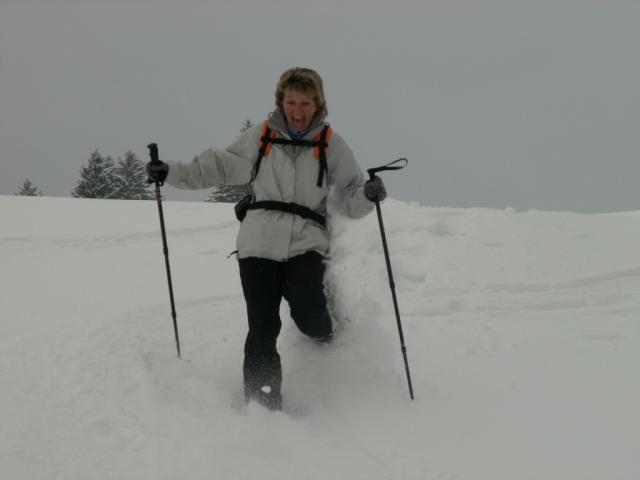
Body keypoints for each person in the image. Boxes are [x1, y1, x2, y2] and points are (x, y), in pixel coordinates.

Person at [147, 67, 387, 410]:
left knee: (309, 315)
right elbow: (219, 165)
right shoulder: (262, 136)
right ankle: (263, 407)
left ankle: (325, 330)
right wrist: (170, 172)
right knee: (262, 327)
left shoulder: (331, 143)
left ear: (318, 104)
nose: (297, 110)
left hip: (306, 243)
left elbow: (350, 196)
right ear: (281, 101)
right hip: (257, 245)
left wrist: (368, 194)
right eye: (291, 101)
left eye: (305, 103)